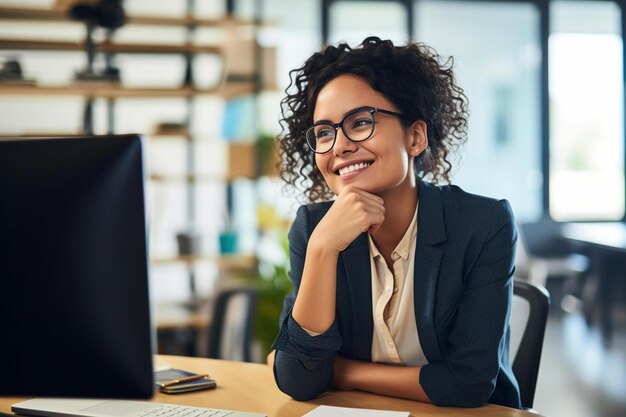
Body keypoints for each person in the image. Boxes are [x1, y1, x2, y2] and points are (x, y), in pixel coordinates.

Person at [267, 36, 521, 409]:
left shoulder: (483, 224)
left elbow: (467, 383)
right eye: (324, 132)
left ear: (415, 137)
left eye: (359, 122)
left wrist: (340, 372)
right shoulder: (314, 229)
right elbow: (297, 378)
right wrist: (323, 250)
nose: (338, 146)